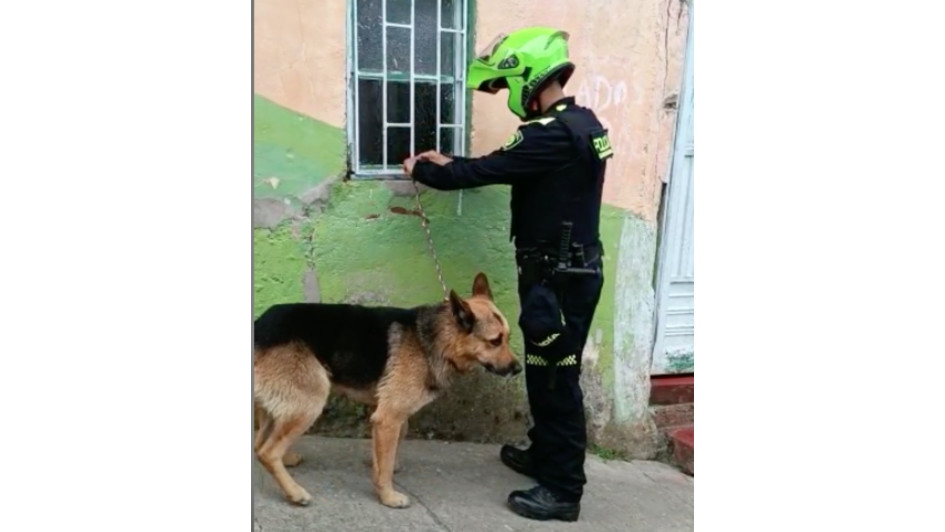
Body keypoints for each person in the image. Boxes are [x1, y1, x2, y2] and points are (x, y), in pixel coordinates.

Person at [402, 27, 613, 522]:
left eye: (505, 85)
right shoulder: (583, 123)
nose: (506, 97)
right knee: (545, 371)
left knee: (557, 379)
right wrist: (455, 163)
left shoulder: (550, 133)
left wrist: (426, 169)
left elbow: (485, 171)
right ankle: (544, 454)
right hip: (569, 271)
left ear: (527, 78)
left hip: (556, 277)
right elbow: (511, 165)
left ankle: (563, 489)